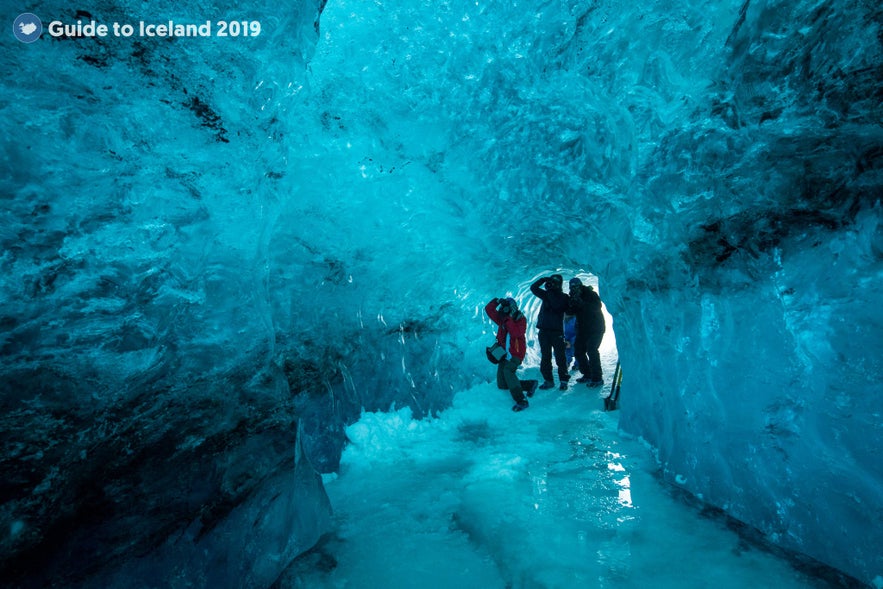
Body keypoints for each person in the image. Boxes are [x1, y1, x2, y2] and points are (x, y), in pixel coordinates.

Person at [485, 297, 538, 411]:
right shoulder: (502, 319)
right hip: (504, 355)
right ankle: (529, 384)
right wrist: (497, 301)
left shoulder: (520, 319)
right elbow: (489, 310)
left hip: (516, 354)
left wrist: (508, 318)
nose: (505, 310)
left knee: (508, 371)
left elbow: (515, 333)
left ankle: (521, 400)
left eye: (508, 307)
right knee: (502, 384)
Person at [529, 274, 571, 390]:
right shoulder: (551, 295)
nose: (552, 284)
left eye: (554, 282)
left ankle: (557, 380)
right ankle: (554, 380)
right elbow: (533, 288)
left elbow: (558, 307)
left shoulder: (557, 296)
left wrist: (547, 285)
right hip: (549, 331)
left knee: (555, 357)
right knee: (551, 357)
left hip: (552, 331)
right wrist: (545, 282)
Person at [567, 277, 606, 386]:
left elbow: (597, 307)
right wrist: (571, 303)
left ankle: (597, 378)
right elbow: (570, 312)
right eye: (572, 287)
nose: (574, 289)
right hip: (583, 329)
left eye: (576, 286)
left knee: (592, 350)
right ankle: (587, 374)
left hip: (596, 328)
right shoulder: (573, 296)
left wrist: (582, 303)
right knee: (578, 351)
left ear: (580, 285)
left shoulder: (590, 294)